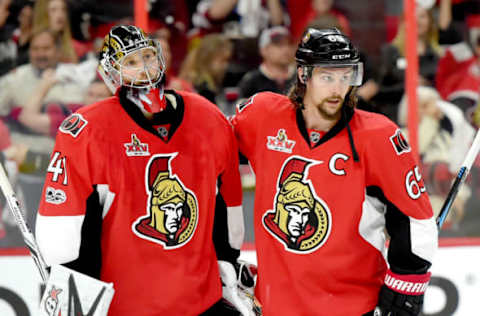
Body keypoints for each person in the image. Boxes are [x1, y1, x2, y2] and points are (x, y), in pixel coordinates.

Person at [35, 25, 252, 316]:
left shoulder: (207, 117)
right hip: (125, 307)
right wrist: (68, 280)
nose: (145, 69)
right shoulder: (87, 131)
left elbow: (228, 205)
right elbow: (62, 224)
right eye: (132, 63)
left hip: (199, 302)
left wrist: (227, 260)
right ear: (112, 74)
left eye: (148, 57)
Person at [231, 27, 438, 315]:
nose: (338, 88)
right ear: (304, 75)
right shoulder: (262, 117)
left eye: (346, 76)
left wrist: (408, 278)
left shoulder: (378, 136)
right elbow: (208, 160)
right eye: (327, 77)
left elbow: (414, 216)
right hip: (276, 306)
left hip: (352, 306)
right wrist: (220, 251)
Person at [237, 25, 295, 99]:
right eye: (279, 45)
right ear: (263, 50)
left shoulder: (300, 78)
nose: (286, 49)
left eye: (289, 44)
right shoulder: (251, 82)